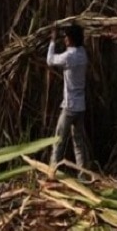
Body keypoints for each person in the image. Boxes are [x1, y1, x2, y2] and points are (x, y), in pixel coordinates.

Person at [46, 22, 90, 177]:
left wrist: (52, 40)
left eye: (66, 37)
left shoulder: (69, 57)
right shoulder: (82, 54)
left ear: (71, 39)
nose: (64, 39)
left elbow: (50, 60)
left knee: (58, 140)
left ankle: (52, 173)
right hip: (80, 106)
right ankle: (82, 175)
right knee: (78, 143)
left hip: (70, 107)